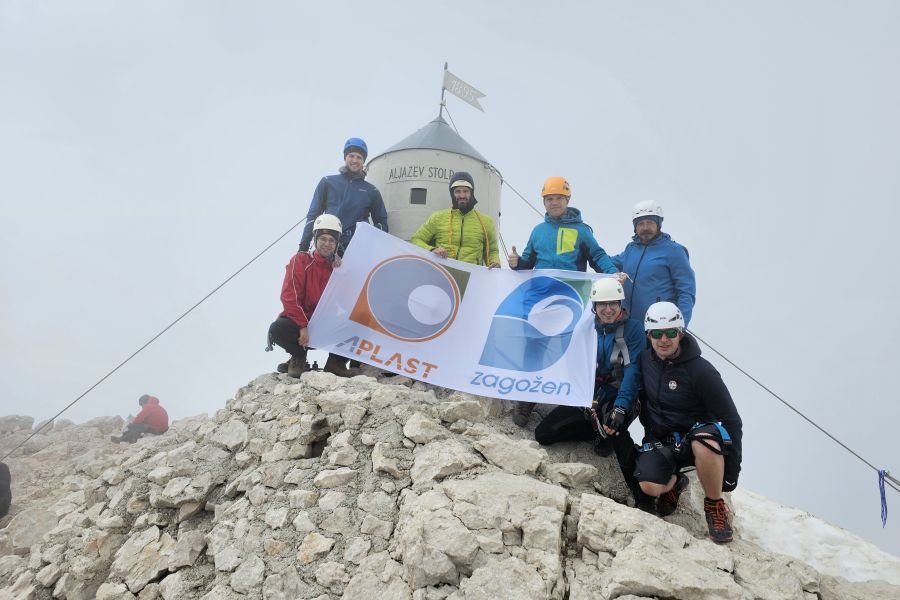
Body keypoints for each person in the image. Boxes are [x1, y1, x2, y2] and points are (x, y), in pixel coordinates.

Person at [508, 176, 624, 426]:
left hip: (571, 300)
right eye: (549, 199)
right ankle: (526, 400)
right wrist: (517, 263)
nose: (554, 203)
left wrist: (612, 273)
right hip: (542, 299)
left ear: (567, 199)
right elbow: (528, 262)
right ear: (544, 202)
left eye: (559, 198)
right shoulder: (538, 231)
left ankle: (571, 401)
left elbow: (598, 256)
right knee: (535, 346)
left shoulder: (581, 231)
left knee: (571, 349)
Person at [533, 278, 650, 508]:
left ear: (620, 304)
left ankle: (643, 496)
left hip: (622, 394)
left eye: (613, 303)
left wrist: (621, 407)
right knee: (543, 434)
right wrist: (585, 397)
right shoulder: (586, 329)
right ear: (594, 307)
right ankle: (598, 432)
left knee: (614, 427)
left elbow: (632, 371)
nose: (608, 309)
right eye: (602, 304)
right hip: (591, 394)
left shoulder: (633, 330)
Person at [632, 301, 743, 543]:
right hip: (663, 440)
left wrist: (732, 471)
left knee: (705, 442)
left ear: (681, 333)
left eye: (670, 332)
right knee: (649, 486)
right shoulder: (645, 360)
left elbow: (732, 420)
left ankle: (714, 505)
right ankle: (675, 483)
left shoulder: (701, 371)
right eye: (657, 334)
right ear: (648, 335)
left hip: (696, 438)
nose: (664, 340)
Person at [268, 214, 354, 378]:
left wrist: (342, 274)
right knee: (278, 328)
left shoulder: (340, 268)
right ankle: (298, 356)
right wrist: (303, 326)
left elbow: (348, 302)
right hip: (300, 324)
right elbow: (290, 296)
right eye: (323, 239)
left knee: (359, 322)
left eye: (331, 240)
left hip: (325, 324)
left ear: (337, 243)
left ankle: (336, 363)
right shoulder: (301, 260)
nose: (327, 244)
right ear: (315, 239)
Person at [298, 137, 389, 254]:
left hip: (356, 249)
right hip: (328, 247)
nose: (355, 160)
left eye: (359, 157)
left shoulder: (371, 191)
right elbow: (313, 216)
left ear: (363, 161)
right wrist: (303, 247)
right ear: (345, 157)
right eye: (351, 156)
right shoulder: (327, 182)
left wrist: (365, 233)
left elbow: (383, 224)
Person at [612, 200, 696, 326]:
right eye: (641, 223)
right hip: (629, 326)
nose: (645, 228)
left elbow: (686, 291)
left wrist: (680, 326)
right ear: (635, 227)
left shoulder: (674, 250)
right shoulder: (631, 249)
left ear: (658, 224)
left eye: (650, 222)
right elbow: (606, 262)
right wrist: (589, 250)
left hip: (659, 327)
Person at [410, 172, 501, 268]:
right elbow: (416, 240)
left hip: (472, 276)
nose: (462, 195)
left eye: (466, 191)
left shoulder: (486, 221)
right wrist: (432, 249)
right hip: (442, 273)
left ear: (471, 193)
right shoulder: (437, 217)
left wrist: (495, 263)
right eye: (457, 191)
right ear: (452, 194)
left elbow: (492, 251)